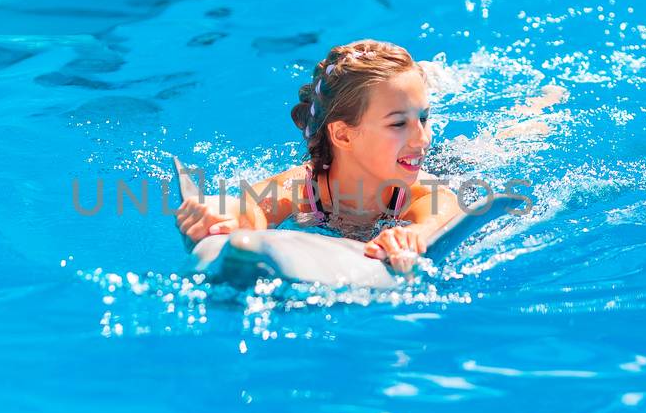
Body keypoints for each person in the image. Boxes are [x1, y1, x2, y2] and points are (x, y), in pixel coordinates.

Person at [175, 39, 461, 274]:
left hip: (441, 161)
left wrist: (415, 235)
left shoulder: (417, 190)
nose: (422, 138)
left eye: (424, 118)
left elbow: (444, 210)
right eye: (398, 123)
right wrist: (224, 212)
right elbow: (251, 208)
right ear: (343, 135)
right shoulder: (303, 188)